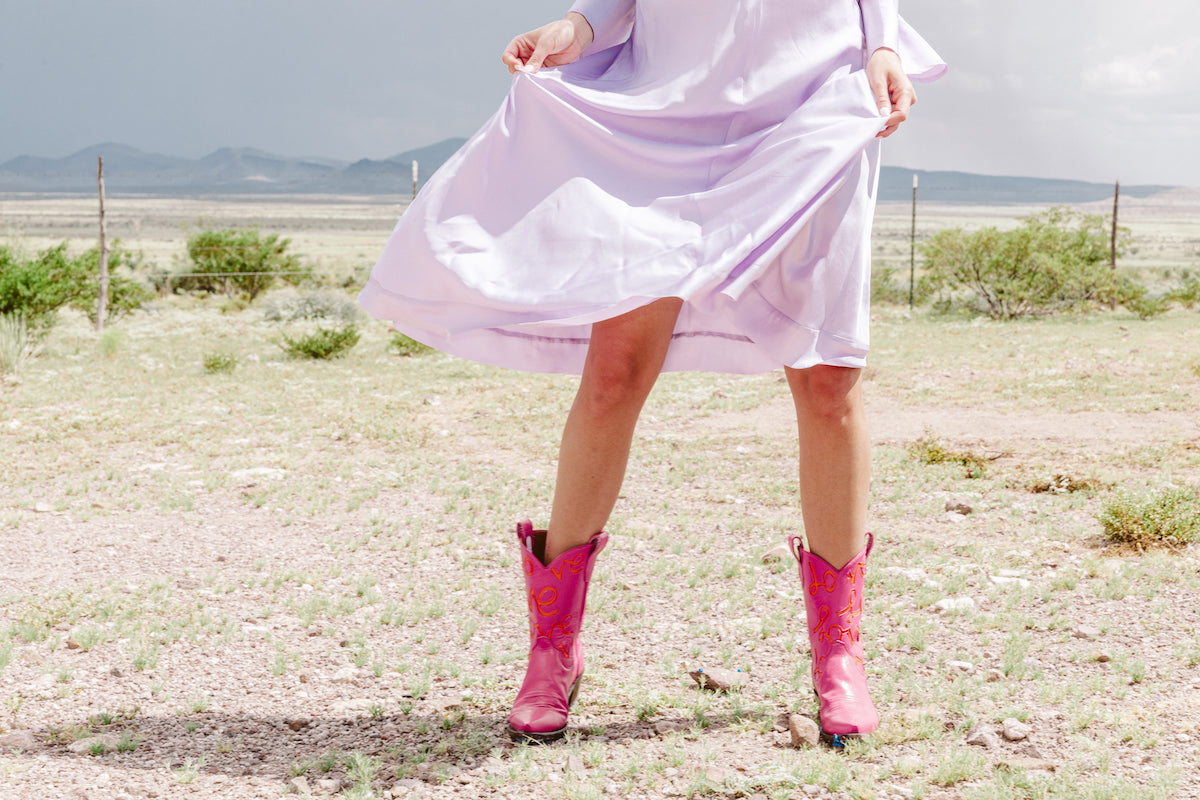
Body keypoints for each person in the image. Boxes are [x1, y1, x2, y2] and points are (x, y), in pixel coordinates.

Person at [360, 0, 946, 746]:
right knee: (615, 371)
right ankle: (553, 650)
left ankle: (840, 656)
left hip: (813, 98)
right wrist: (580, 26)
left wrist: (883, 44)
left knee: (827, 378)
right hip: (668, 100)